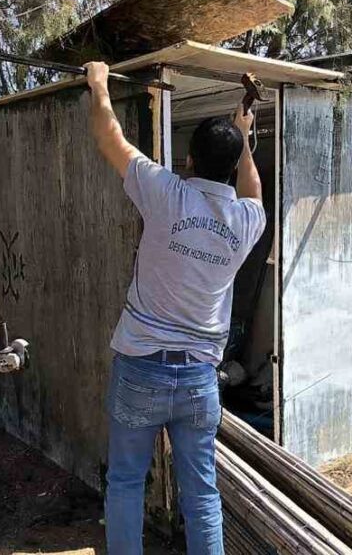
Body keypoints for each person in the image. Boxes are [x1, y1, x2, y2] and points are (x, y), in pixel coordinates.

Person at [84, 62, 266, 554]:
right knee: (201, 493)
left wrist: (99, 82)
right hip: (197, 382)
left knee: (125, 482)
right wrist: (244, 136)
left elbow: (110, 138)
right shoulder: (248, 221)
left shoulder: (166, 194)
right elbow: (253, 190)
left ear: (187, 158)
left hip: (141, 368)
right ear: (231, 165)